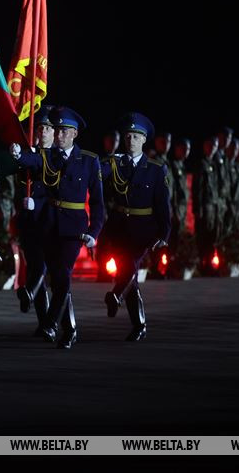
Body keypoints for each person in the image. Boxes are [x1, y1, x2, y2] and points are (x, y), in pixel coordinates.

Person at [10, 106, 105, 349]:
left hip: (74, 228)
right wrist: (18, 153)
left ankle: (51, 322)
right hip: (49, 225)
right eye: (57, 130)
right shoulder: (47, 156)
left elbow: (97, 202)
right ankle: (70, 329)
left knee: (62, 275)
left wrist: (94, 233)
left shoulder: (89, 161)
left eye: (64, 131)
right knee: (58, 279)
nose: (59, 135)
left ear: (74, 134)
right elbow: (30, 159)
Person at [99, 113, 171, 341]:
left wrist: (165, 233)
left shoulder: (156, 169)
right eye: (127, 136)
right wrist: (109, 159)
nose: (130, 140)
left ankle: (115, 294)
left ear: (143, 140)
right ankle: (139, 324)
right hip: (119, 227)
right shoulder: (115, 163)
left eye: (135, 136)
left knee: (129, 268)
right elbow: (97, 175)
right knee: (128, 274)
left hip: (143, 230)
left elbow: (163, 205)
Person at [15, 105, 54, 333]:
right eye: (39, 128)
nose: (42, 132)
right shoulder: (28, 155)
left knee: (46, 268)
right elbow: (18, 178)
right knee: (35, 267)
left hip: (50, 222)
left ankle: (29, 292)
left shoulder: (58, 157)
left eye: (47, 128)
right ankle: (43, 321)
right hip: (29, 222)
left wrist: (37, 203)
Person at [193, 134, 220, 275]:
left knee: (212, 237)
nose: (212, 149)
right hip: (205, 206)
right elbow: (198, 188)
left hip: (214, 206)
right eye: (210, 145)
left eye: (214, 146)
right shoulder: (201, 164)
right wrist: (198, 209)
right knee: (203, 237)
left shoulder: (215, 164)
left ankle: (210, 265)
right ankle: (203, 265)